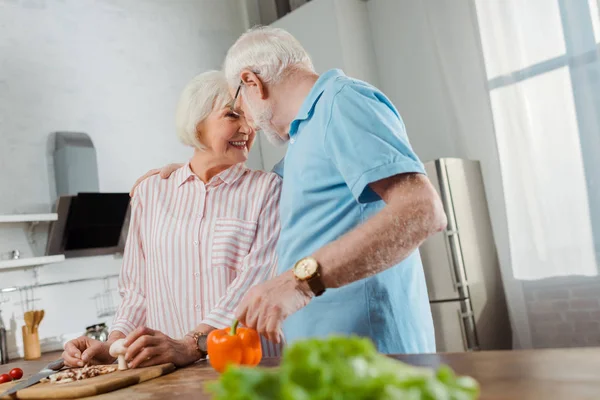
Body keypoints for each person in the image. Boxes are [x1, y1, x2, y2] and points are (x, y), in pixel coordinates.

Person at [137, 26, 447, 354]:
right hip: (328, 360)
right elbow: (245, 192)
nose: (250, 122)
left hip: (373, 355)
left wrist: (299, 282)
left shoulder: (342, 102)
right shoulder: (302, 139)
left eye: (239, 104)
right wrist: (180, 174)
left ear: (252, 82)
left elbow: (422, 211)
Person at [61, 70, 282, 368]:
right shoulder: (150, 193)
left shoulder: (267, 190)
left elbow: (255, 282)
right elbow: (137, 290)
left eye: (251, 118)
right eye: (233, 116)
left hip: (248, 370)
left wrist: (191, 344)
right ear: (197, 121)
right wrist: (115, 347)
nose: (247, 128)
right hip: (171, 375)